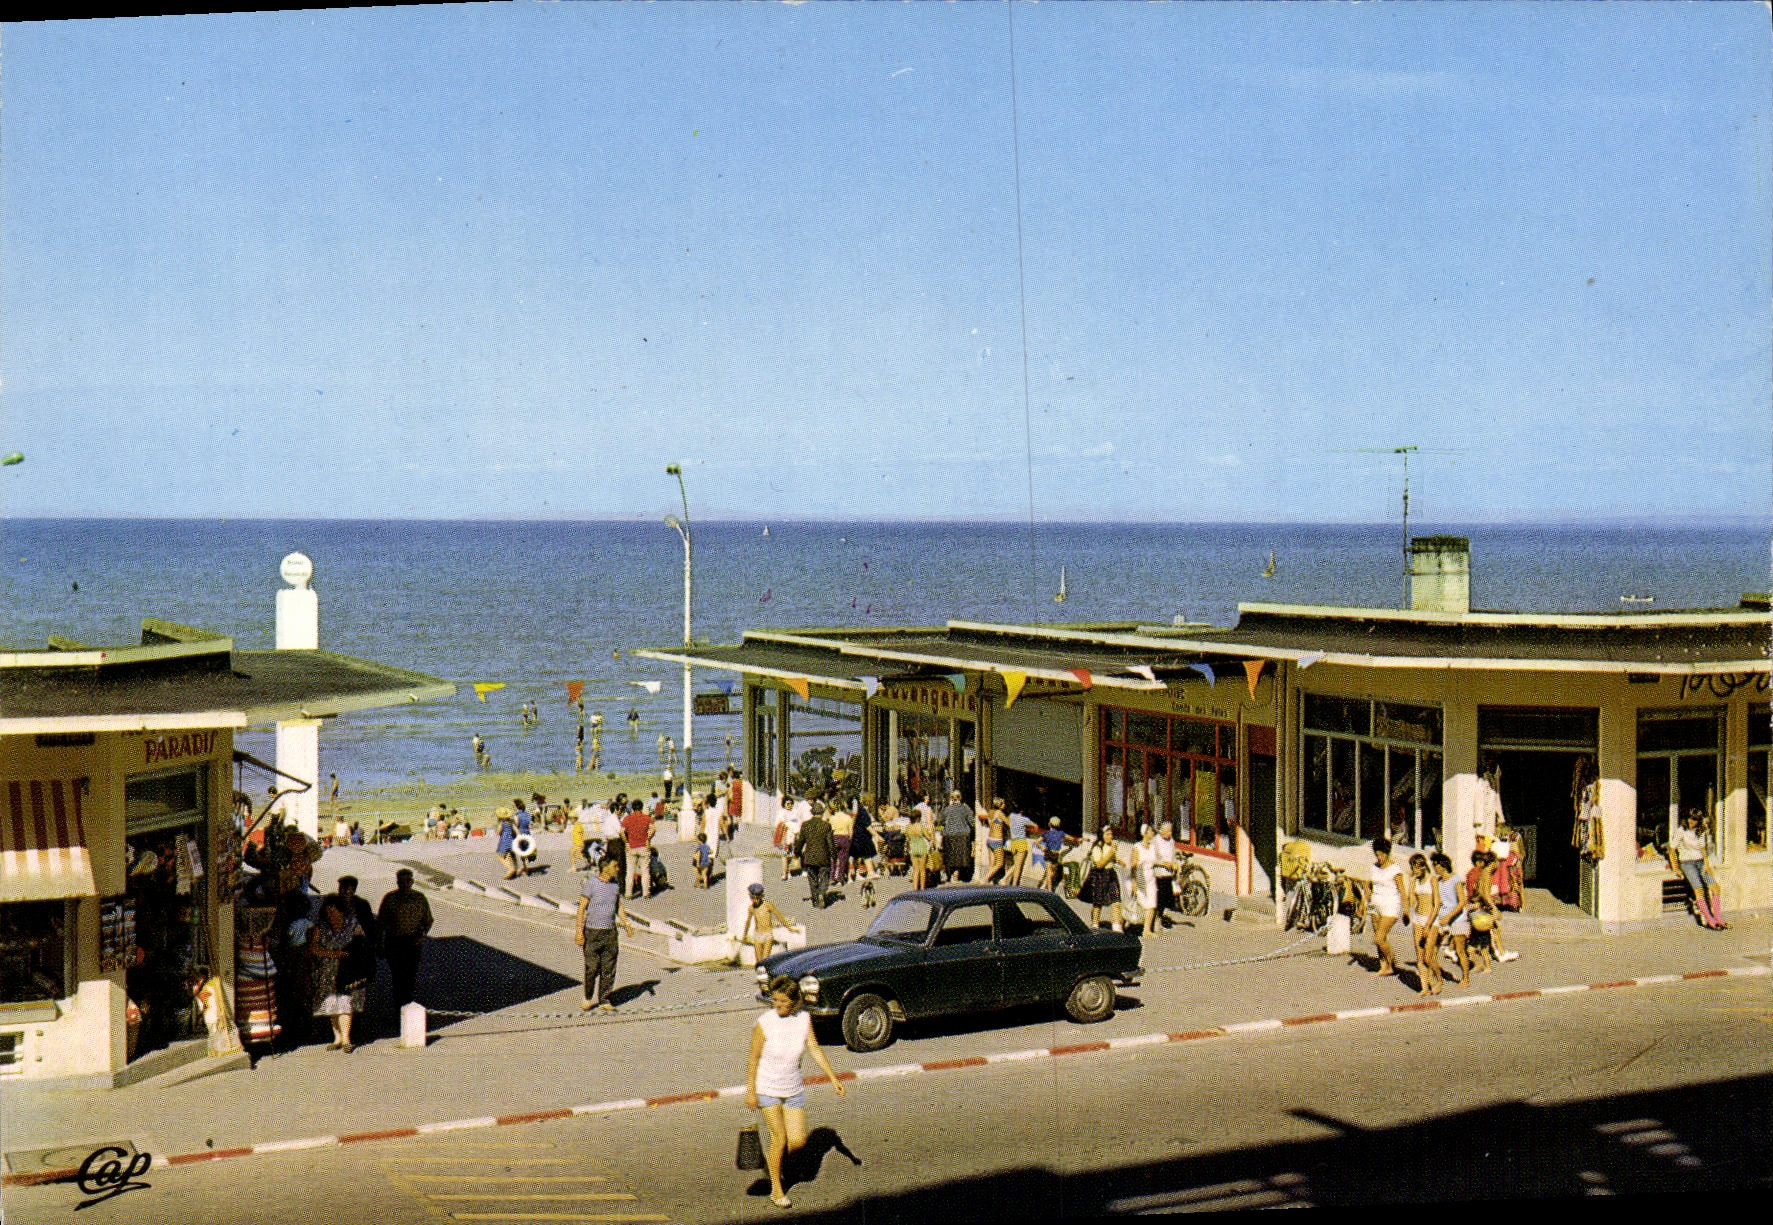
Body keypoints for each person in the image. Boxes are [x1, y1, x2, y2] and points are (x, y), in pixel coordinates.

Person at [746, 975, 845, 1210]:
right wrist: (751, 1091)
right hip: (767, 1087)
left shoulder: (803, 1019)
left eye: (781, 1002)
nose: (776, 1005)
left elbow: (814, 1048)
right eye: (774, 1000)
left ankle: (775, 1162)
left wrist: (833, 1077)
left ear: (794, 1003)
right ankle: (776, 1189)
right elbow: (753, 1058)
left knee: (798, 1142)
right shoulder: (764, 1022)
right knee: (779, 1138)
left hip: (793, 1088)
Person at [310, 896, 371, 1052]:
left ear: (341, 910)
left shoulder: (353, 925)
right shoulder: (321, 927)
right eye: (328, 912)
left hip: (349, 971)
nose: (331, 915)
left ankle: (346, 1040)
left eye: (334, 911)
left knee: (345, 1004)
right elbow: (314, 947)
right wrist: (331, 953)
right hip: (328, 972)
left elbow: (362, 945)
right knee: (332, 1006)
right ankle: (337, 1038)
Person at [575, 855, 635, 1011]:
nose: (618, 868)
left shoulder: (615, 885)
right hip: (592, 932)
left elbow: (619, 907)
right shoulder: (591, 884)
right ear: (605, 867)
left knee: (609, 968)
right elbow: (581, 909)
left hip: (610, 932)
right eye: (615, 865)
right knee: (592, 967)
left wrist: (627, 924)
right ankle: (588, 997)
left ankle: (604, 1000)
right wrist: (579, 932)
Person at [378, 868, 434, 1010]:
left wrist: (421, 937)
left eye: (408, 880)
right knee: (398, 976)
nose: (405, 884)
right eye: (402, 881)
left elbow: (428, 920)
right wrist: (380, 944)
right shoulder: (390, 898)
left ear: (412, 881)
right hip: (394, 943)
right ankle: (398, 1007)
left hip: (413, 944)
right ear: (397, 882)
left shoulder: (420, 898)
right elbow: (380, 923)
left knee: (410, 976)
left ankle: (407, 1005)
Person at [1669, 808, 1728, 929]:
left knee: (1715, 888)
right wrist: (1675, 868)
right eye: (1690, 818)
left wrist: (1707, 865)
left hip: (1700, 862)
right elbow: (1672, 850)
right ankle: (1710, 920)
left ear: (1699, 820)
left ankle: (1718, 919)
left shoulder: (1701, 830)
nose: (1691, 821)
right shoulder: (1681, 831)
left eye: (1695, 819)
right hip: (1687, 863)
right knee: (1699, 890)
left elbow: (1703, 849)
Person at [1363, 838, 1407, 978]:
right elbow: (1367, 885)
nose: (1379, 858)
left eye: (1382, 855)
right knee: (1379, 937)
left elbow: (1402, 891)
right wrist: (1365, 901)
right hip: (1376, 903)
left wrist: (1406, 910)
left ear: (1388, 853)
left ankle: (1392, 960)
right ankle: (1385, 966)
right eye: (1377, 855)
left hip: (1391, 904)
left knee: (1379, 938)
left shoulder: (1395, 869)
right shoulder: (1373, 867)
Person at [1430, 853, 1472, 987]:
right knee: (1433, 948)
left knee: (1460, 950)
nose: (1434, 867)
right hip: (1442, 918)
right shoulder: (1438, 881)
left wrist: (1449, 917)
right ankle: (1434, 974)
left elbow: (1462, 902)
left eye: (1435, 864)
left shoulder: (1456, 879)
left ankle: (1465, 978)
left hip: (1457, 918)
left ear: (1442, 865)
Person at [1406, 853, 1440, 996]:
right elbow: (1412, 902)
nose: (1414, 871)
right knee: (1420, 957)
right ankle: (1425, 988)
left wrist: (1428, 925)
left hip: (1431, 920)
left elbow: (1437, 904)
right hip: (1417, 919)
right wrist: (1411, 883)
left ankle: (1438, 979)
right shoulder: (1416, 882)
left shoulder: (1432, 880)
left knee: (1428, 956)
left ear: (1423, 866)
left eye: (1416, 868)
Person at [794, 802, 837, 909]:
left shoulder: (805, 825)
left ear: (812, 813)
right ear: (822, 813)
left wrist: (797, 852)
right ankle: (822, 893)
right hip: (823, 857)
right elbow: (830, 843)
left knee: (812, 878)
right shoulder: (826, 825)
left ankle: (815, 900)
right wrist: (834, 856)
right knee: (824, 876)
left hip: (810, 857)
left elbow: (800, 841)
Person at [741, 883, 794, 967]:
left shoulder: (767, 905)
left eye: (757, 898)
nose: (755, 901)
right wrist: (744, 936)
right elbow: (748, 922)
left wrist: (789, 928)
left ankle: (768, 977)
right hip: (757, 935)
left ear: (761, 897)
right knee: (759, 962)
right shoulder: (751, 908)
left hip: (767, 934)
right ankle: (762, 978)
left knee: (765, 961)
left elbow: (779, 916)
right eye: (753, 898)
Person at [1082, 833, 1124, 931]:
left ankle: (1116, 926)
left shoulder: (1110, 846)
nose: (1111, 837)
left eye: (1111, 834)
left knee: (1116, 900)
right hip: (1100, 874)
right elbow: (1100, 864)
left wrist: (1117, 860)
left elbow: (1111, 859)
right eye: (1108, 834)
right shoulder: (1097, 847)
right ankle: (1095, 924)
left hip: (1111, 873)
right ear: (1102, 835)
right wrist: (1111, 852)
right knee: (1098, 901)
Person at [621, 800, 655, 899]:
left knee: (630, 871)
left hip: (631, 847)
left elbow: (621, 831)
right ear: (641, 807)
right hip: (643, 846)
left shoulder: (627, 819)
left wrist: (626, 842)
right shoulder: (647, 818)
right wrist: (648, 838)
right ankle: (646, 893)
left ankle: (628, 894)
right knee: (645, 871)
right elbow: (653, 829)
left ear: (632, 808)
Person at [940, 790, 974, 884]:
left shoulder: (948, 809)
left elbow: (941, 820)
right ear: (961, 798)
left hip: (949, 835)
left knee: (950, 856)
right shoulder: (965, 808)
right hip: (962, 835)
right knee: (960, 857)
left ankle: (951, 874)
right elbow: (972, 822)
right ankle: (956, 875)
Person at [1137, 825, 1164, 937]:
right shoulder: (1137, 847)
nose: (1153, 833)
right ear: (1145, 833)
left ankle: (1146, 930)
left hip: (1150, 876)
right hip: (1140, 875)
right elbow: (1134, 864)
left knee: (1152, 902)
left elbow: (1154, 861)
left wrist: (1164, 864)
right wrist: (1133, 880)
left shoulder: (1152, 847)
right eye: (1151, 831)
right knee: (1138, 901)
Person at [1006, 804, 1036, 886]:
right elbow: (1035, 826)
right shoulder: (1024, 819)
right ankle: (1014, 884)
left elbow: (1008, 823)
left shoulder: (1011, 816)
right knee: (1018, 866)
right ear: (1022, 811)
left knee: (1016, 864)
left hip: (1013, 842)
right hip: (1021, 842)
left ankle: (1007, 879)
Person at [983, 798, 1010, 884]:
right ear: (1000, 805)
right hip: (997, 840)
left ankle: (989, 881)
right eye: (1003, 804)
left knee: (992, 863)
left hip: (990, 839)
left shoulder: (990, 812)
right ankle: (985, 879)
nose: (1005, 805)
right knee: (1000, 863)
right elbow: (1009, 823)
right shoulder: (1000, 813)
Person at [1039, 818, 1071, 891]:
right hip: (1056, 854)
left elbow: (1037, 842)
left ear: (1049, 824)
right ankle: (1046, 888)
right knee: (1052, 873)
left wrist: (1042, 848)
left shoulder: (1047, 833)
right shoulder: (1061, 833)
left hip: (1048, 852)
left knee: (1049, 873)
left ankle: (1047, 889)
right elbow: (1071, 838)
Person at [828, 801, 855, 884]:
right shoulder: (848, 818)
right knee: (842, 858)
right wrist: (850, 841)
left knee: (833, 858)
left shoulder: (832, 818)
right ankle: (840, 877)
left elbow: (830, 830)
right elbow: (851, 832)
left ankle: (831, 876)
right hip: (844, 836)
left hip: (835, 837)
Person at [495, 809, 521, 880]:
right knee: (509, 856)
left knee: (500, 856)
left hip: (504, 841)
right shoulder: (511, 823)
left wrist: (498, 830)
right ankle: (515, 870)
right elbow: (517, 831)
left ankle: (510, 869)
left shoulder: (502, 823)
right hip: (512, 841)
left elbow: (498, 832)